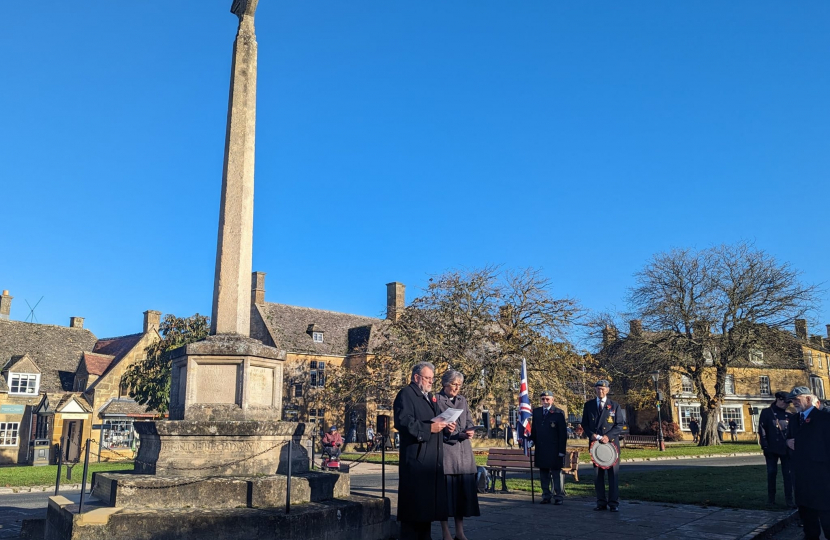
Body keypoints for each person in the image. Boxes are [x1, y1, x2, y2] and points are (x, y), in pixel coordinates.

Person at [394, 362, 451, 540]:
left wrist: (446, 426)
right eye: (427, 378)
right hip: (416, 461)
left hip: (430, 462)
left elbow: (434, 421)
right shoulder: (406, 394)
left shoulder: (428, 397)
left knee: (425, 512)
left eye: (432, 379)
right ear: (416, 377)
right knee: (414, 512)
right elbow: (403, 422)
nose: (430, 382)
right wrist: (428, 429)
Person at [435, 370, 479, 540]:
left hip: (463, 455)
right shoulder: (436, 400)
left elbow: (468, 420)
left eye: (459, 385)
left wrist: (470, 429)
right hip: (447, 454)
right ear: (445, 384)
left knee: (461, 496)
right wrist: (448, 431)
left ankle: (460, 532)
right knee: (446, 496)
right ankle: (446, 532)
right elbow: (435, 425)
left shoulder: (462, 400)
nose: (456, 388)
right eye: (454, 384)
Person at [785, 386, 830, 540]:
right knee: (808, 520)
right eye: (792, 401)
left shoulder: (824, 419)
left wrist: (800, 444)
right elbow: (791, 442)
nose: (794, 403)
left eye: (797, 400)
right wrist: (788, 442)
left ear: (809, 399)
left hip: (822, 477)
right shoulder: (794, 420)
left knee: (827, 517)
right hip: (801, 476)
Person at [581, 380, 624, 512]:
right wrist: (591, 434)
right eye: (598, 389)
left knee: (613, 475)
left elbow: (619, 424)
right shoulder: (589, 405)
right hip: (596, 444)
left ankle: (613, 503)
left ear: (607, 390)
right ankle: (601, 502)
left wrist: (609, 436)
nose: (601, 391)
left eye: (603, 389)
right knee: (598, 475)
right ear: (595, 390)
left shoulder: (614, 406)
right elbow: (585, 424)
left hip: (611, 445)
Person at [529, 390, 567, 505]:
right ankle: (546, 495)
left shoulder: (558, 413)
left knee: (556, 473)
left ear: (552, 400)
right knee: (543, 473)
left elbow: (562, 433)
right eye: (543, 399)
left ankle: (558, 496)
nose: (545, 401)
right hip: (541, 448)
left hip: (554, 449)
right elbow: (534, 429)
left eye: (547, 399)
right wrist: (532, 440)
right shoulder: (536, 412)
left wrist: (561, 450)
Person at [758, 391, 795, 507]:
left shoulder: (789, 415)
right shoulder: (767, 413)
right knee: (771, 473)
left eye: (789, 403)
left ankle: (789, 499)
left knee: (788, 475)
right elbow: (762, 429)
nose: (787, 405)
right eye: (785, 402)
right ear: (778, 399)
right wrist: (764, 445)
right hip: (771, 449)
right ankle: (771, 499)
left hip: (786, 449)